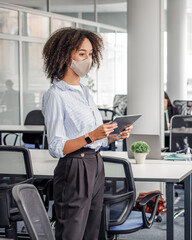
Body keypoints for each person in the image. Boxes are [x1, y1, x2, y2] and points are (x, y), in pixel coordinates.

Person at [42, 27, 133, 240]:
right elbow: (57, 148)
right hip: (74, 167)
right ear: (64, 56)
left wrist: (112, 135)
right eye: (81, 54)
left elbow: (91, 137)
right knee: (72, 232)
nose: (88, 59)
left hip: (95, 163)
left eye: (91, 54)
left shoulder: (84, 91)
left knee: (94, 230)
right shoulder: (56, 96)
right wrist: (92, 136)